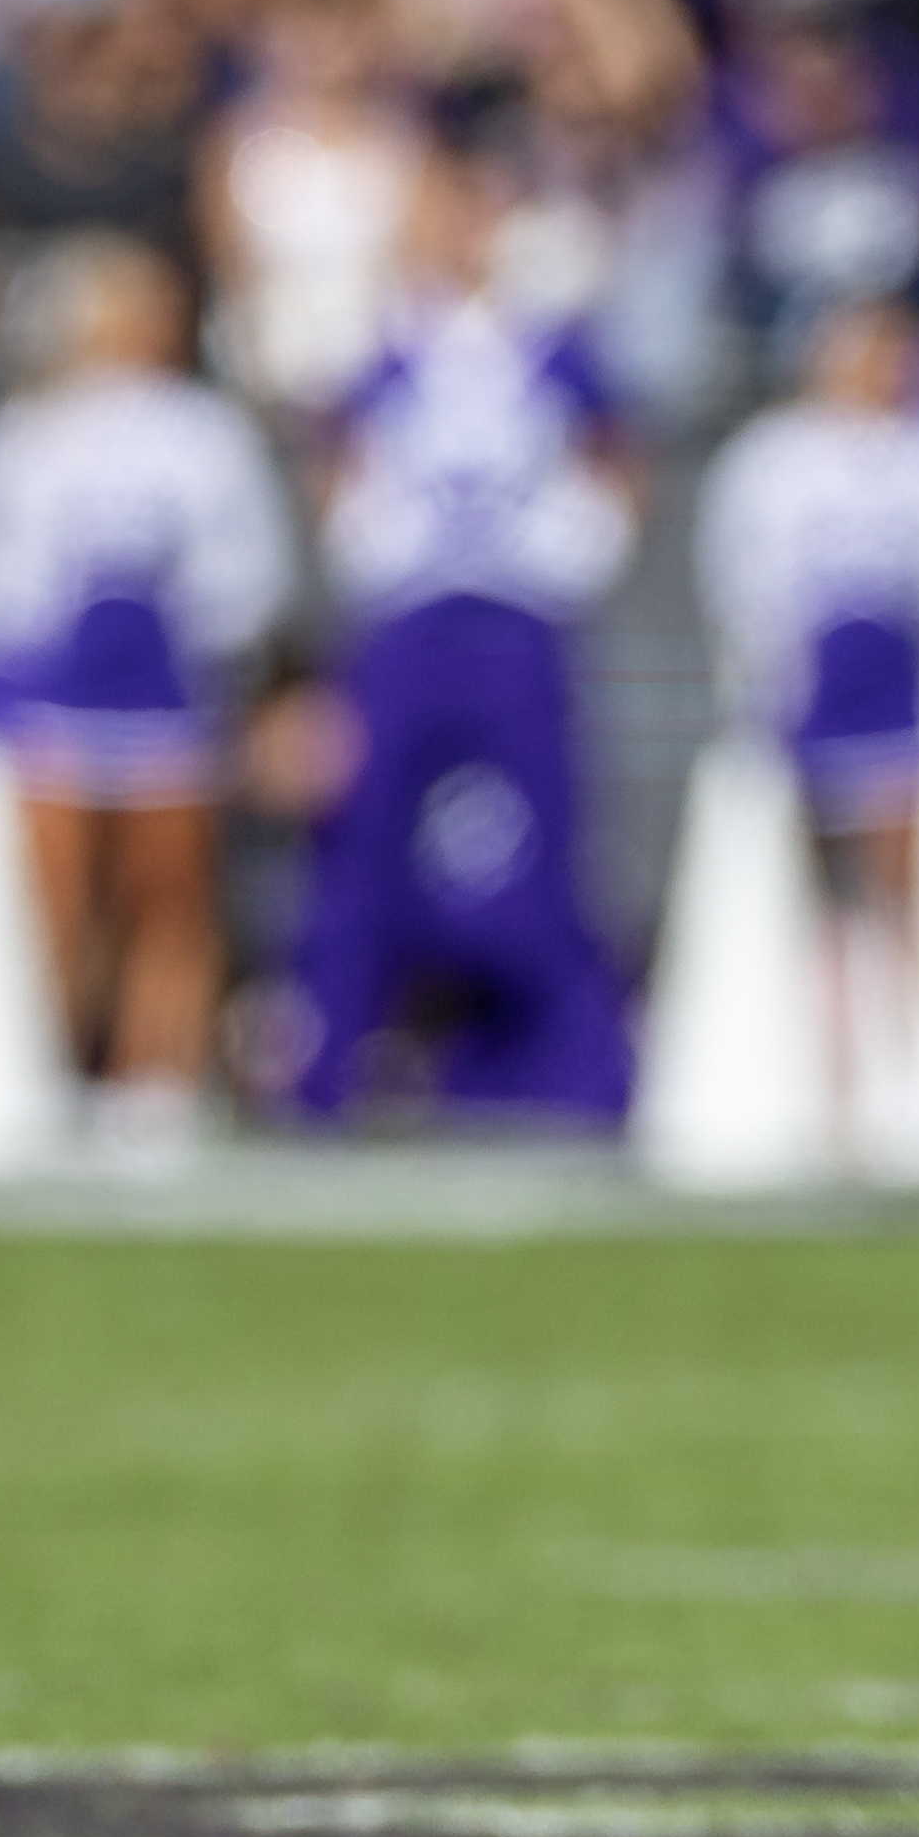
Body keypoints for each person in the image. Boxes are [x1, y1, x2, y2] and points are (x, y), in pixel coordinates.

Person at [285, 140, 642, 1123]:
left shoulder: (545, 343)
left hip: (518, 616)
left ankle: (565, 1070)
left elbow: (619, 448)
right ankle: (334, 1067)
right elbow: (330, 447)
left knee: (543, 833)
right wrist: (359, 538)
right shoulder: (382, 338)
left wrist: (584, 545)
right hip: (407, 618)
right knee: (368, 837)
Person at [0, 232, 292, 1153]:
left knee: (167, 907)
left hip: (169, 710)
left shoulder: (204, 432)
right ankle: (50, 1080)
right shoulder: (29, 432)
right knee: (54, 912)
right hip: (52, 711)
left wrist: (200, 646)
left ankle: (155, 1092)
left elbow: (250, 575)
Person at [692, 294, 919, 1108]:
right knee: (828, 899)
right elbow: (742, 579)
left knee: (904, 889)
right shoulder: (775, 458)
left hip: (904, 690)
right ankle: (835, 1087)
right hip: (814, 692)